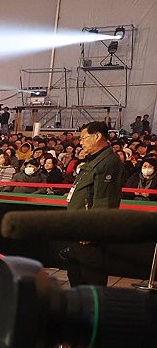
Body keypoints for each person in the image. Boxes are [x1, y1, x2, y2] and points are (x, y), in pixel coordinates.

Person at [65, 121, 123, 286]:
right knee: (76, 275)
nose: (81, 142)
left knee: (91, 278)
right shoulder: (94, 160)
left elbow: (104, 201)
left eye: (84, 138)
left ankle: (94, 310)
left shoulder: (108, 162)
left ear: (97, 136)